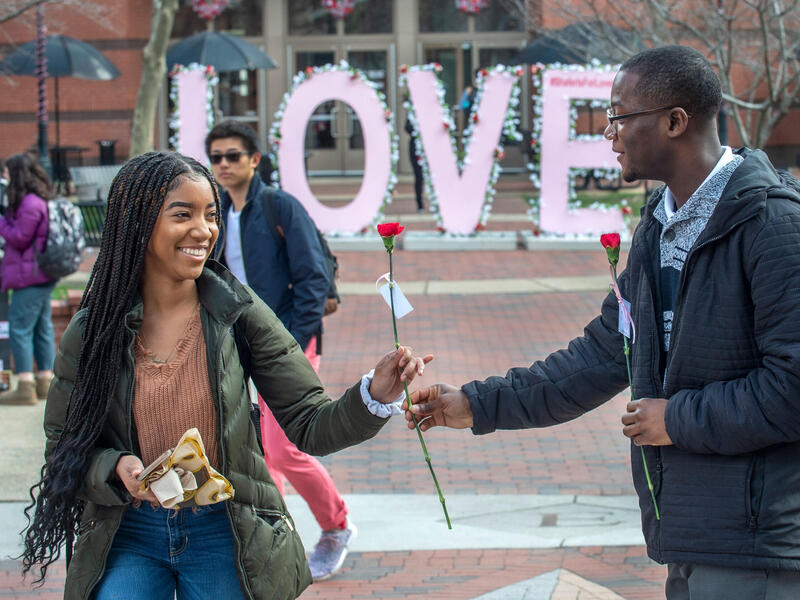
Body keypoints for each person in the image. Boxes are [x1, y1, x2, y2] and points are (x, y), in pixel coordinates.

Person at [407, 45, 800, 600]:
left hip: (756, 546)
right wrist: (474, 404)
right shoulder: (658, 229)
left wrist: (677, 419)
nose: (608, 133)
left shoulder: (773, 225)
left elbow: (793, 387)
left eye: (618, 116)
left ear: (674, 121)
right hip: (687, 535)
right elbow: (597, 356)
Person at [21, 151, 431, 600]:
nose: (204, 230)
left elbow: (311, 423)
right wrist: (116, 468)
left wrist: (372, 393)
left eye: (211, 215)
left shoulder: (237, 310)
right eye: (183, 215)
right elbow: (64, 446)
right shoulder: (92, 330)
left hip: (227, 532)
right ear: (138, 222)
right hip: (128, 532)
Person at [204, 120, 352, 581]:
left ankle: (335, 526)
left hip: (287, 343)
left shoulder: (278, 206)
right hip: (239, 343)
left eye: (233, 155)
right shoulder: (219, 213)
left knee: (285, 450)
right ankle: (274, 539)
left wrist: (291, 338)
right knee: (262, 449)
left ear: (254, 160)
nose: (223, 164)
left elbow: (311, 278)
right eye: (216, 156)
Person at [0, 153, 56, 406]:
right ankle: (45, 381)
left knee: (20, 328)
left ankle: (24, 385)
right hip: (39, 276)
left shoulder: (30, 204)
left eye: (8, 173)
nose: (5, 177)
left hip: (30, 277)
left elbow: (20, 237)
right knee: (41, 329)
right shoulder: (36, 200)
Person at [404, 116, 425, 213]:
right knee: (419, 177)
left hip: (429, 148)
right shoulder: (412, 112)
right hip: (415, 148)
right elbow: (407, 127)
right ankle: (420, 204)